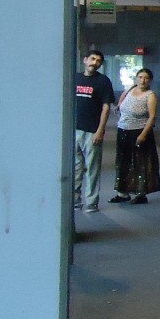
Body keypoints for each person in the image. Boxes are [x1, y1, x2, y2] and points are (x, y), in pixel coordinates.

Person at [73, 49, 116, 212]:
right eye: (92, 59)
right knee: (75, 168)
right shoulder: (75, 78)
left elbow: (106, 107)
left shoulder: (103, 81)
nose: (94, 62)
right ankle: (75, 200)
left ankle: (91, 202)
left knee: (92, 169)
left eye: (98, 61)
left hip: (92, 131)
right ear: (85, 60)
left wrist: (100, 130)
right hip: (74, 130)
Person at [111, 67, 160, 203]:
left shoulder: (150, 95)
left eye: (146, 78)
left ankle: (141, 194)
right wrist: (119, 105)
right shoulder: (130, 89)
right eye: (140, 77)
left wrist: (143, 135)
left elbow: (152, 117)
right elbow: (121, 100)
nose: (142, 80)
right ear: (136, 78)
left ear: (150, 80)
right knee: (123, 161)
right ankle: (122, 193)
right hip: (123, 130)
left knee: (140, 163)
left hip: (139, 132)